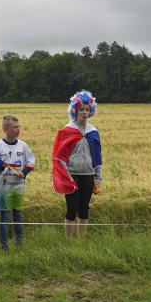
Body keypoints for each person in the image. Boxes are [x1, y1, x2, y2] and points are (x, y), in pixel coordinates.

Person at [51, 90, 102, 238]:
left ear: (91, 111)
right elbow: (60, 157)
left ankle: (81, 241)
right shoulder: (67, 131)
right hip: (71, 175)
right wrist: (67, 177)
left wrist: (98, 177)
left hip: (88, 175)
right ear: (75, 110)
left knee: (84, 209)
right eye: (81, 109)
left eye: (87, 109)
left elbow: (97, 157)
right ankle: (68, 241)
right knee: (72, 209)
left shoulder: (93, 132)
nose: (84, 112)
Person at [0, 115, 35, 250]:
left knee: (18, 215)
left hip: (17, 188)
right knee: (4, 217)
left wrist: (24, 172)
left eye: (19, 126)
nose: (18, 129)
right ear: (6, 129)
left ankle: (19, 244)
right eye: (15, 127)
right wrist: (1, 166)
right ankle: (4, 246)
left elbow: (31, 162)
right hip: (3, 189)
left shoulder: (23, 146)